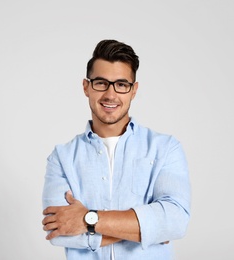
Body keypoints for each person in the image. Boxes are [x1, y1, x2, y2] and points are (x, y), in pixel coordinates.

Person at [41, 39, 191, 260]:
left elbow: (175, 221)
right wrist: (150, 230)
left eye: (121, 84)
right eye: (101, 83)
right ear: (86, 87)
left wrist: (87, 220)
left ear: (134, 90)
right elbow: (58, 232)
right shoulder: (61, 158)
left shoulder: (166, 148)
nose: (111, 95)